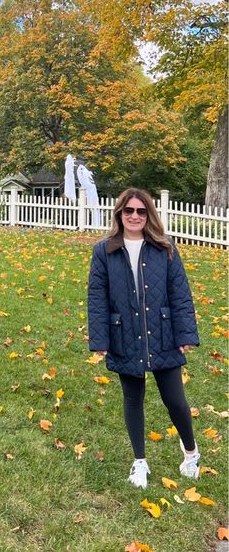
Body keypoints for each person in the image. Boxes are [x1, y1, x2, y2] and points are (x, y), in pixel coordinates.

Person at [87, 188, 200, 489]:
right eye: (129, 211)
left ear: (149, 215)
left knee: (175, 399)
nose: (134, 216)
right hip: (124, 333)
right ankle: (140, 462)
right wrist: (100, 339)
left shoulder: (165, 248)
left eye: (141, 211)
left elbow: (180, 294)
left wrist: (185, 333)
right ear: (119, 214)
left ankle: (190, 452)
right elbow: (97, 297)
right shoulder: (104, 250)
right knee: (132, 399)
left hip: (162, 333)